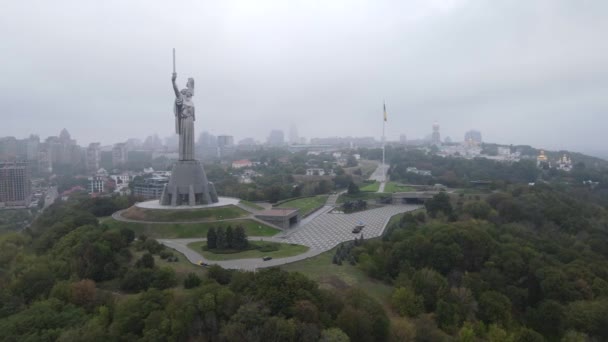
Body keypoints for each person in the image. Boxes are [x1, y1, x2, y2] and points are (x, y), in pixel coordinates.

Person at [172, 72, 195, 160]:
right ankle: (183, 157)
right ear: (183, 93)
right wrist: (173, 81)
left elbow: (192, 88)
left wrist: (190, 82)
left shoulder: (191, 102)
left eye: (188, 92)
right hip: (184, 122)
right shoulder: (181, 99)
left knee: (190, 140)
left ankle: (190, 157)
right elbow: (176, 90)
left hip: (190, 122)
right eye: (186, 92)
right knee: (184, 138)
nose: (188, 93)